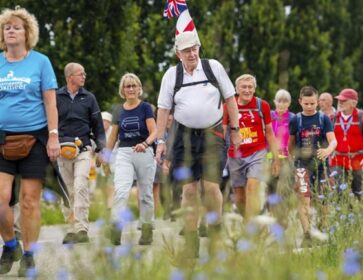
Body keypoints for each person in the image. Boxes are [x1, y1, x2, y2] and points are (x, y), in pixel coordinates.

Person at [155, 31, 241, 257]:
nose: (192, 53)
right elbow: (163, 110)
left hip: (213, 134)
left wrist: (235, 129)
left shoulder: (213, 67)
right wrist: (160, 140)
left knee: (211, 186)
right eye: (186, 50)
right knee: (190, 190)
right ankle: (191, 244)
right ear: (178, 54)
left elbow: (230, 98)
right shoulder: (171, 76)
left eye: (194, 48)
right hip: (183, 137)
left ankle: (214, 236)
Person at [0, 7, 60, 276]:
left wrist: (54, 136)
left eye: (16, 27)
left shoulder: (41, 62)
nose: (10, 30)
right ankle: (10, 245)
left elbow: (50, 102)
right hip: (2, 139)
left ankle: (29, 254)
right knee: (1, 199)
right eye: (7, 27)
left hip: (35, 139)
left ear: (27, 33)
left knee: (29, 201)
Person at [102, 73, 157, 246]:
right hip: (124, 152)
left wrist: (146, 143)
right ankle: (116, 229)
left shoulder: (146, 107)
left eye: (134, 86)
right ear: (123, 90)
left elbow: (155, 131)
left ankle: (147, 229)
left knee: (146, 193)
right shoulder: (119, 110)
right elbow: (112, 137)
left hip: (144, 152)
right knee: (121, 190)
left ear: (139, 88)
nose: (131, 89)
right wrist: (105, 157)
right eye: (128, 86)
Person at [57, 62, 106, 244]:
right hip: (61, 151)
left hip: (83, 149)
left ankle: (82, 228)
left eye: (84, 73)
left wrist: (101, 149)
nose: (84, 76)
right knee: (67, 191)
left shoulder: (89, 98)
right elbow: (49, 123)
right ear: (70, 77)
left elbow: (98, 126)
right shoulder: (56, 97)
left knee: (80, 185)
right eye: (81, 74)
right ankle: (71, 229)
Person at [223, 74, 280, 220]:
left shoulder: (262, 105)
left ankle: (249, 231)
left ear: (254, 89)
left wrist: (276, 159)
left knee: (252, 188)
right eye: (243, 87)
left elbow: (269, 133)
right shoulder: (228, 106)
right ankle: (248, 221)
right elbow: (223, 132)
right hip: (235, 155)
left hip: (257, 153)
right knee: (240, 197)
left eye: (250, 87)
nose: (247, 90)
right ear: (236, 89)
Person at [288, 86, 337, 246]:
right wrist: (291, 159)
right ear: (300, 102)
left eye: (313, 103)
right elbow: (291, 143)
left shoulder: (324, 119)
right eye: (306, 103)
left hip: (321, 165)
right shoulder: (296, 120)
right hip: (302, 165)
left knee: (322, 200)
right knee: (304, 200)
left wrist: (328, 150)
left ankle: (322, 231)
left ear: (317, 102)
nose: (309, 107)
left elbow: (333, 140)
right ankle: (307, 234)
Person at [330, 89, 363, 199]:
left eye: (344, 100)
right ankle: (341, 215)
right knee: (339, 193)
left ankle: (360, 215)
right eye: (339, 100)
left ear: (353, 103)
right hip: (338, 160)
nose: (340, 102)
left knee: (359, 193)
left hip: (358, 160)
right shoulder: (333, 118)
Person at [266, 89, 294, 223]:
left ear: (289, 103)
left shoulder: (293, 118)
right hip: (270, 157)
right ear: (274, 102)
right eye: (279, 101)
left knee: (284, 189)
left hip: (287, 158)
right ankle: (271, 216)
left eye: (285, 101)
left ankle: (283, 218)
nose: (282, 104)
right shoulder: (269, 116)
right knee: (270, 188)